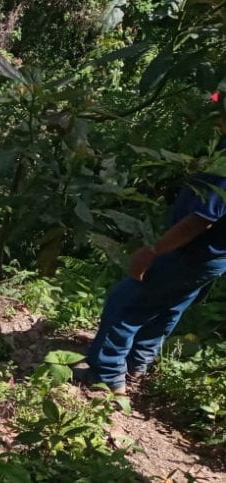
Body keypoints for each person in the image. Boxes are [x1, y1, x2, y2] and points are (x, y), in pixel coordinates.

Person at [85, 99, 226, 395]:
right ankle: (136, 366)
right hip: (213, 257)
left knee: (126, 302)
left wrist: (152, 252)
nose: (213, 117)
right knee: (166, 308)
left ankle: (106, 376)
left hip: (190, 253)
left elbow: (201, 220)